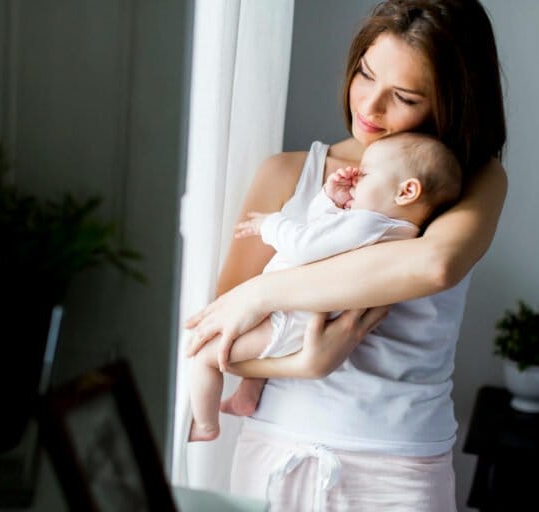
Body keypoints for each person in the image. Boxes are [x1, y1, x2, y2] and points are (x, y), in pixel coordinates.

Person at [185, 0, 507, 510]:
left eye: (403, 97)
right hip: (276, 444)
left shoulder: (468, 180)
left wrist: (267, 291)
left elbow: (433, 265)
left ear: (451, 100)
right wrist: (307, 362)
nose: (370, 107)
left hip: (399, 462)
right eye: (365, 74)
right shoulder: (288, 172)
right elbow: (225, 320)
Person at [188, 133, 462, 443]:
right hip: (303, 318)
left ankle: (205, 424)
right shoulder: (402, 234)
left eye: (366, 173)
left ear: (406, 191)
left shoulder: (365, 223)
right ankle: (248, 394)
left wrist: (270, 225)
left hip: (288, 318)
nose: (355, 178)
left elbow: (305, 244)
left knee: (206, 355)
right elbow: (326, 235)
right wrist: (331, 202)